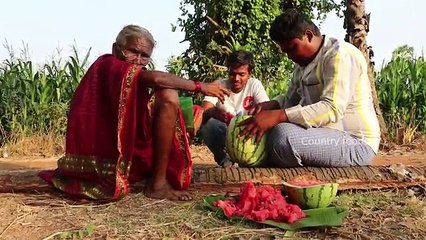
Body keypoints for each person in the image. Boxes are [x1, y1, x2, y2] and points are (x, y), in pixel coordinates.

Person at [38, 25, 230, 201]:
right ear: (116, 49)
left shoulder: (135, 75)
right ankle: (156, 183)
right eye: (132, 52)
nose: (138, 60)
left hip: (134, 152)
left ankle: (157, 183)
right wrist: (200, 87)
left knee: (168, 96)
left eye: (144, 56)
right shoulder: (107, 64)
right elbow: (156, 77)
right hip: (105, 155)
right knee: (168, 92)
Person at [239, 9, 381, 167]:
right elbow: (290, 100)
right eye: (285, 52)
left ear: (308, 35)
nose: (290, 56)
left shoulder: (340, 55)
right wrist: (272, 106)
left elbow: (331, 109)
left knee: (283, 137)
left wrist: (278, 116)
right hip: (324, 135)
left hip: (355, 142)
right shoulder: (302, 63)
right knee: (268, 130)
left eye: (292, 48)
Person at [200, 50, 270, 168]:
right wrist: (213, 112)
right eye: (232, 74)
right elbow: (203, 111)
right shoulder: (218, 86)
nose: (236, 78)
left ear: (249, 73)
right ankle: (225, 161)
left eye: (241, 74)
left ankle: (254, 159)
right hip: (226, 134)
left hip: (249, 133)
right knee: (209, 125)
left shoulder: (254, 85)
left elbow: (267, 110)